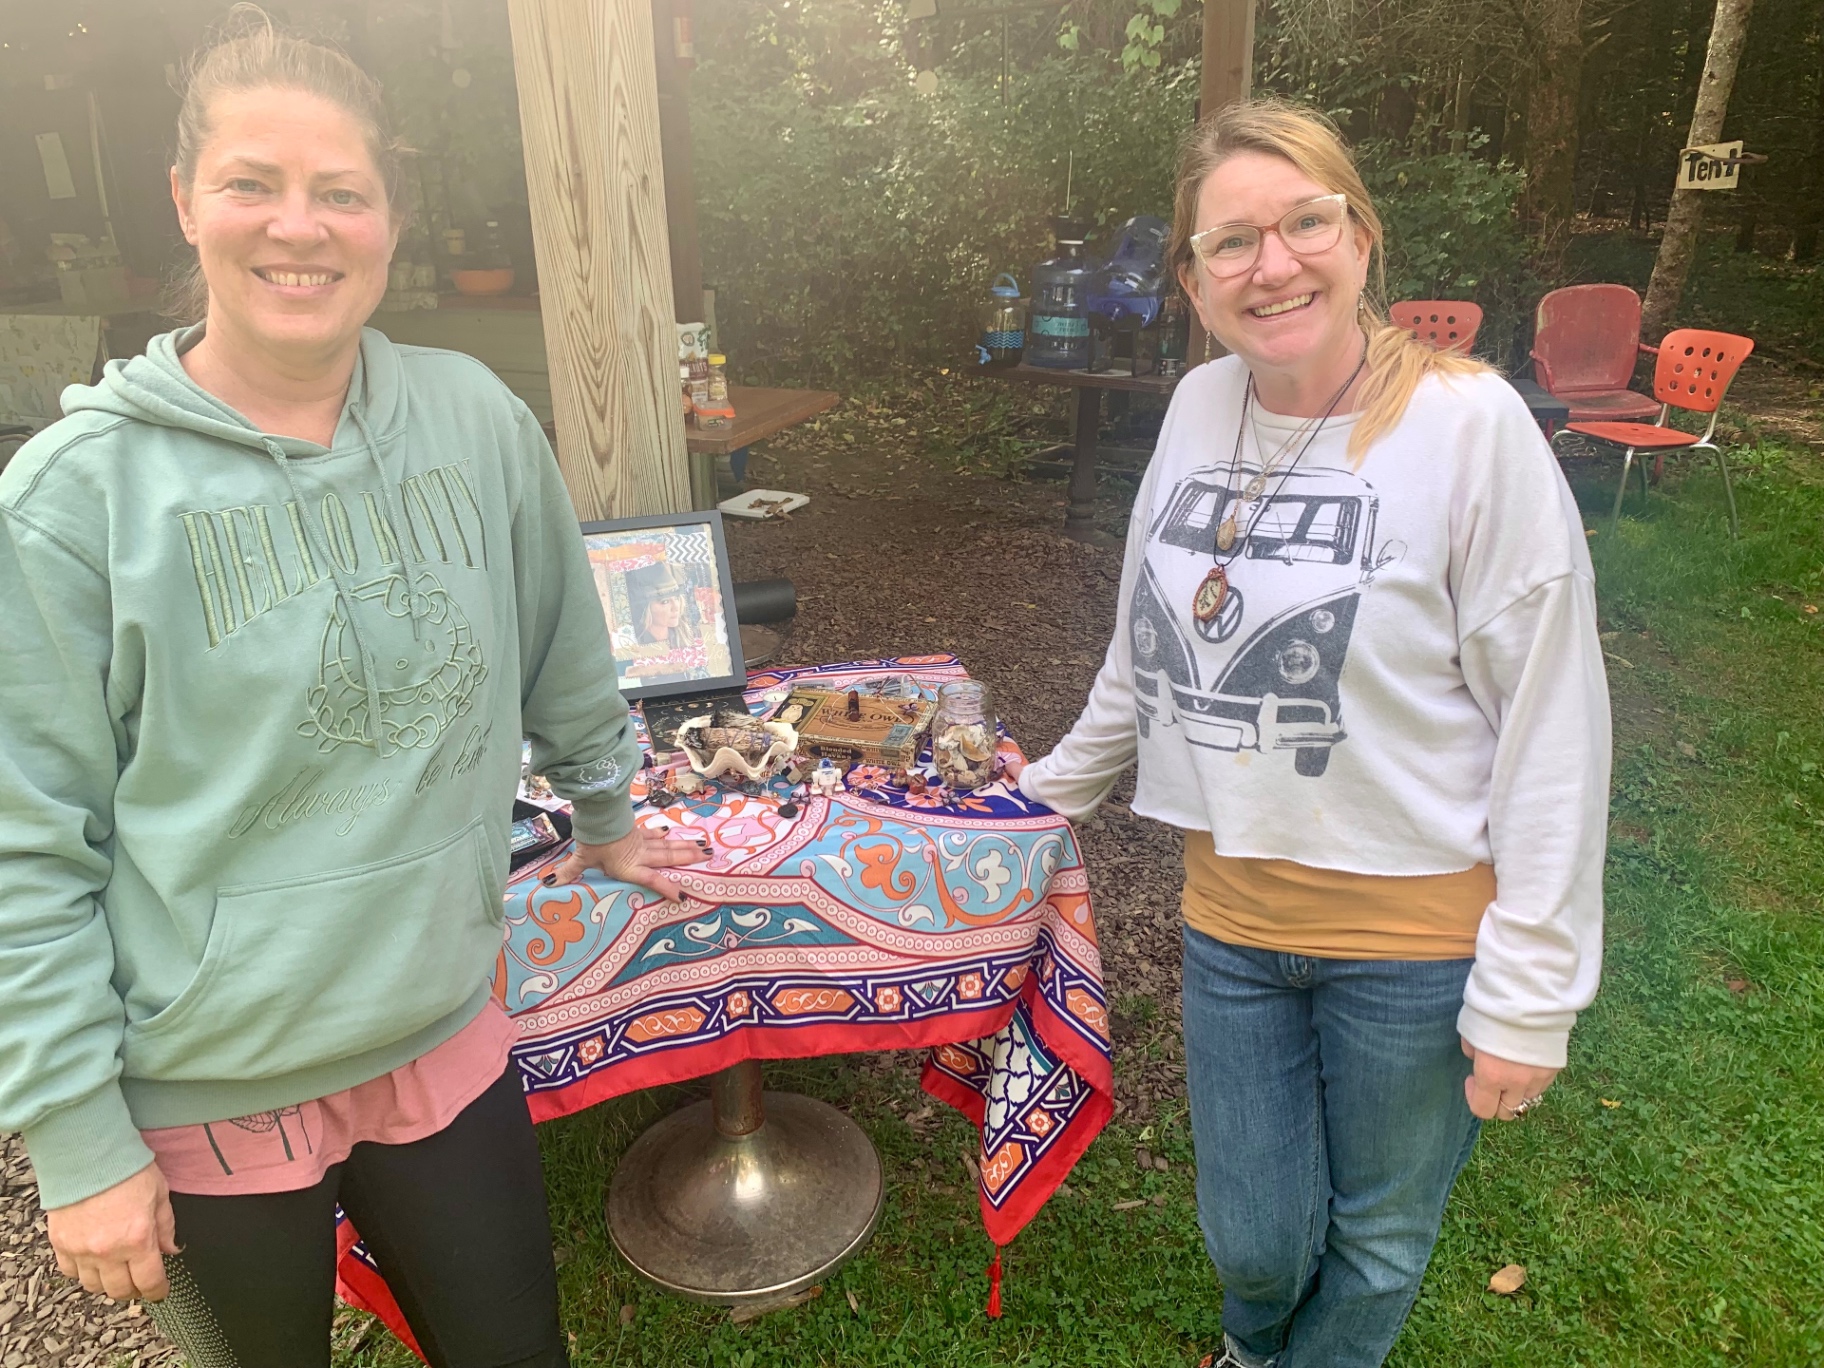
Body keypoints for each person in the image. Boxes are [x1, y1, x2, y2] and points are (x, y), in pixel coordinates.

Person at [0, 11, 707, 1366]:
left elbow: (563, 642)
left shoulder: (475, 420)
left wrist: (609, 813)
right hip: (210, 1085)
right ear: (185, 202)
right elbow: (24, 845)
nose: (298, 227)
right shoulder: (72, 502)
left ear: (390, 217)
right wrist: (76, 1138)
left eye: (341, 192)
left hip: (438, 1029)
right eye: (252, 183)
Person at [1012, 99, 1609, 1368]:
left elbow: (1554, 721)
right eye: (1231, 242)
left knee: (1381, 1236)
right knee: (1257, 1240)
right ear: (1191, 279)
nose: (1272, 264)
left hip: (1418, 939)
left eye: (1304, 224)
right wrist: (1042, 797)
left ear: (1362, 237)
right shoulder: (1194, 407)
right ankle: (1253, 1338)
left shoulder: (1471, 428)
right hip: (1231, 920)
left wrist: (1532, 995)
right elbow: (1149, 640)